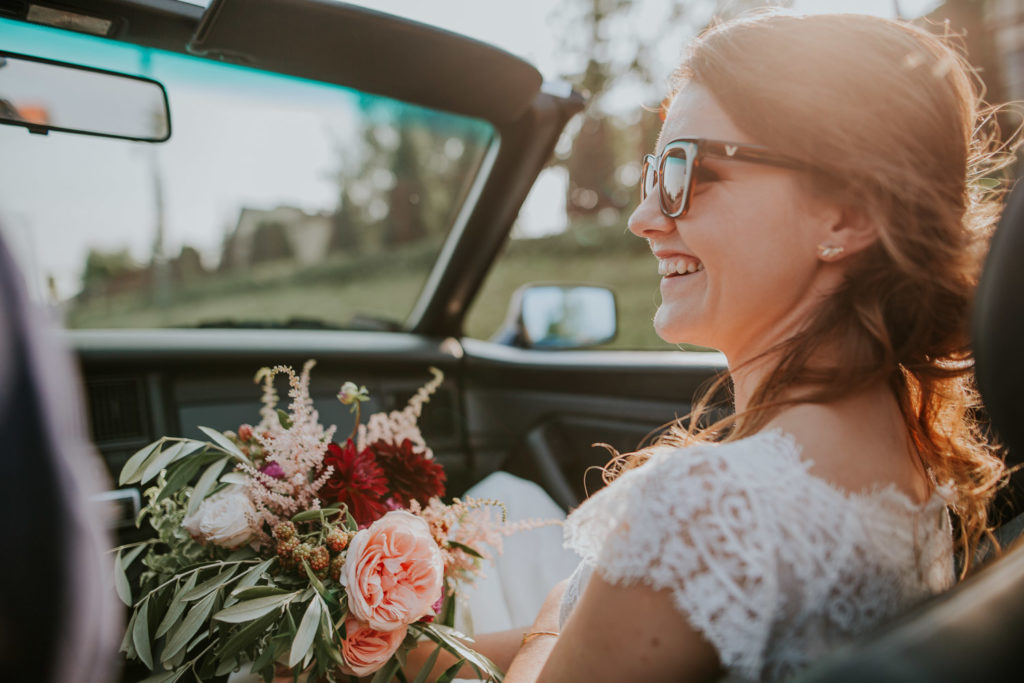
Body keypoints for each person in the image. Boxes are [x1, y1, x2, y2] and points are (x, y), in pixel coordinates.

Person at [404, 9, 1015, 683]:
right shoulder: (905, 453)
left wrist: (555, 609)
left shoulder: (703, 509)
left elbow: (564, 643)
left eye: (685, 170)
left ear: (849, 212)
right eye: (651, 174)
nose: (643, 218)